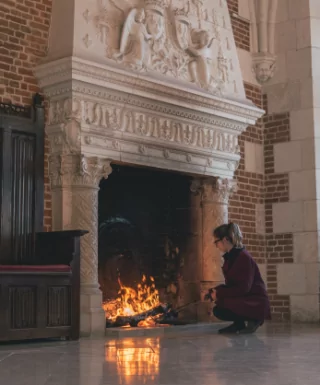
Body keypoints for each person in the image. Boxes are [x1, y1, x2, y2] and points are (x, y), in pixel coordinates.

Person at [206, 223, 271, 334]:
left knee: (221, 306)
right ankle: (239, 324)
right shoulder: (231, 257)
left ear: (225, 239)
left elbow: (243, 288)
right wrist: (212, 291)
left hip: (255, 301)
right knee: (219, 307)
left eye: (216, 241)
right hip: (246, 297)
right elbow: (232, 285)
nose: (216, 245)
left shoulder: (243, 258)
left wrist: (218, 293)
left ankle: (254, 319)